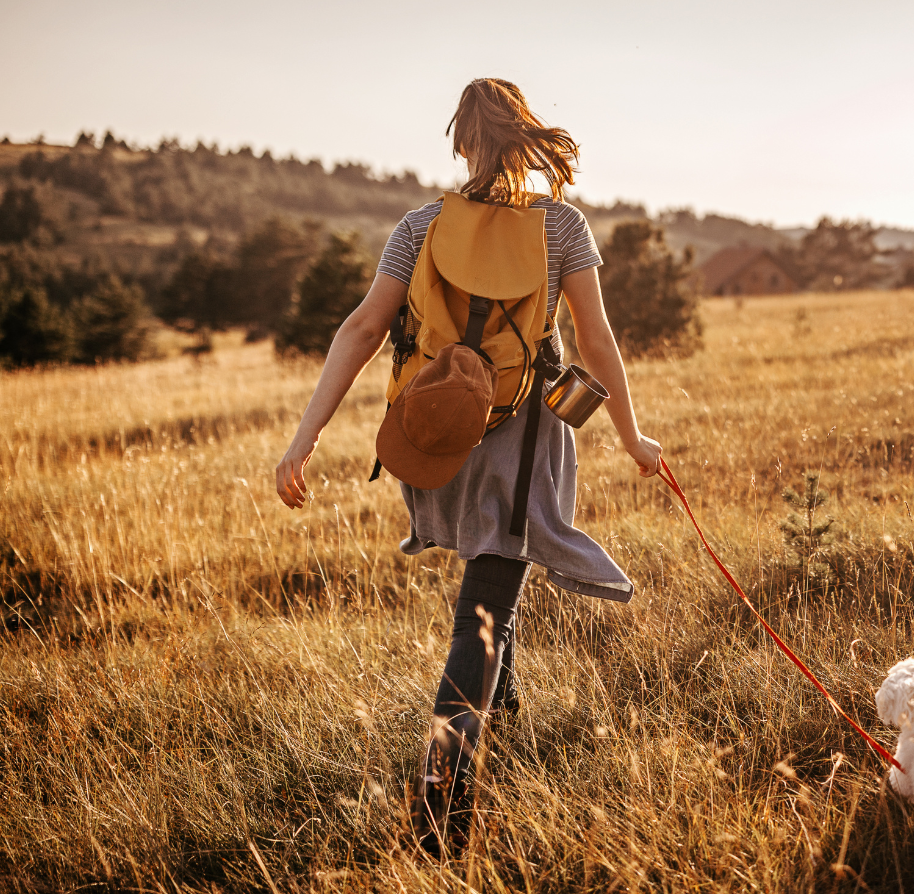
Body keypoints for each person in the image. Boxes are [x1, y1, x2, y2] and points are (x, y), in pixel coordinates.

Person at [273, 78, 661, 855]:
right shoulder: (563, 228)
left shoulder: (420, 225)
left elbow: (362, 329)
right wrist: (630, 434)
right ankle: (441, 808)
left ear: (461, 144)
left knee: (493, 580)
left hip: (440, 442)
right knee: (484, 611)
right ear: (526, 141)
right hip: (522, 444)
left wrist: (303, 436)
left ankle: (503, 717)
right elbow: (596, 341)